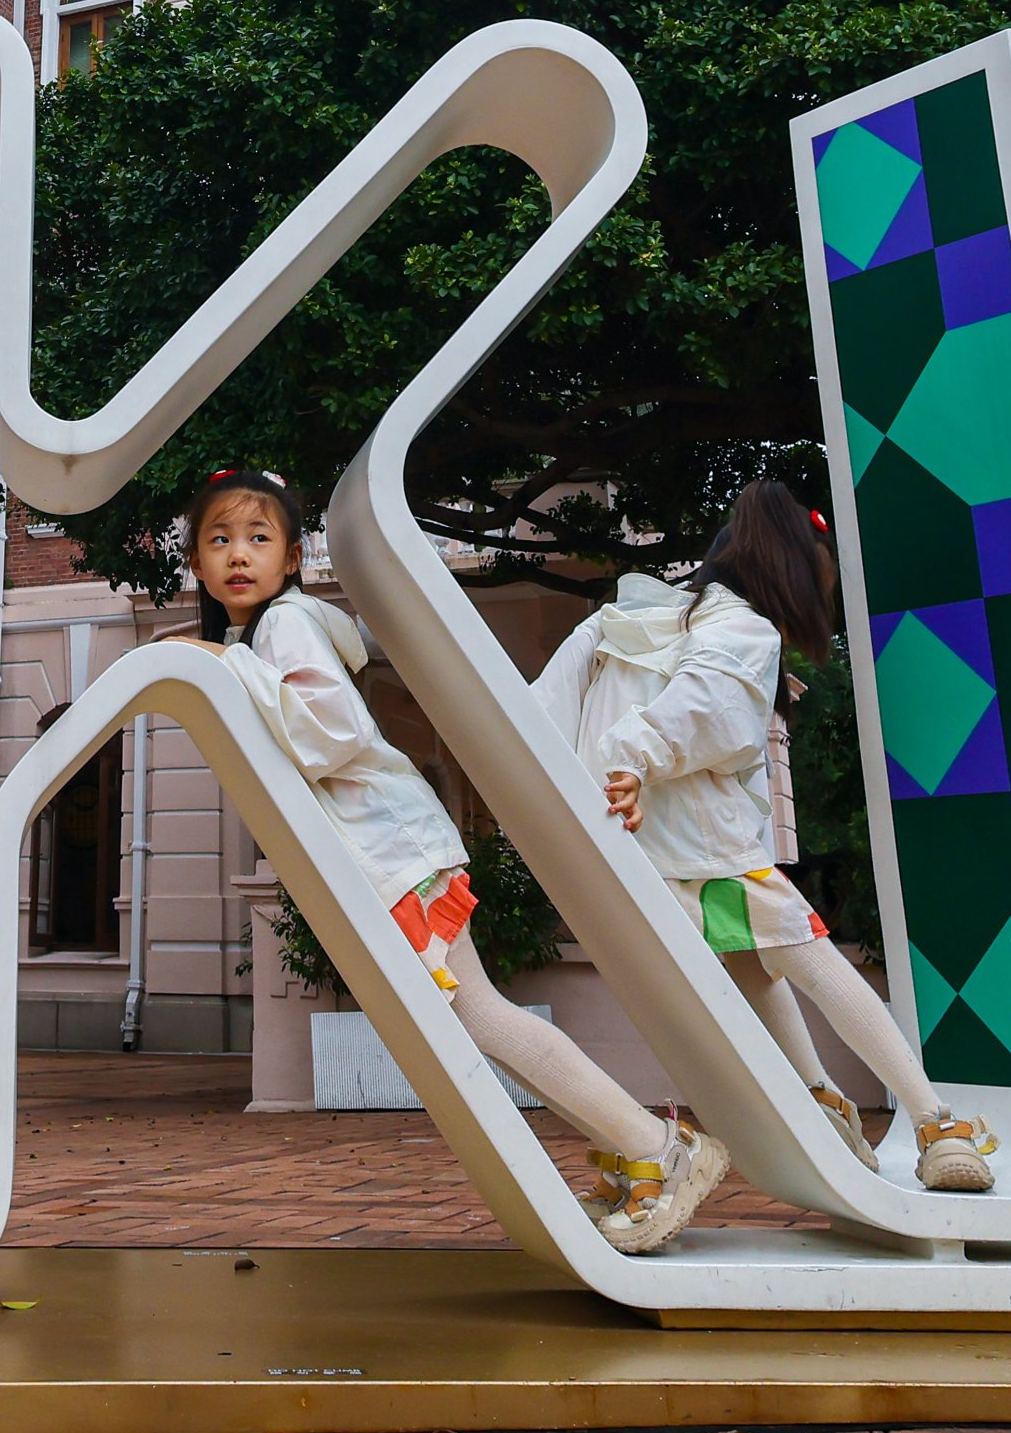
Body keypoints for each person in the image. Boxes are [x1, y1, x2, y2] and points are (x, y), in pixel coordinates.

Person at [171, 467, 729, 1254]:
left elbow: (328, 736)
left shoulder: (283, 629)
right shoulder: (265, 634)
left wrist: (226, 670)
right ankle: (639, 1149)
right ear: (196, 563)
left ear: (292, 558)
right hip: (396, 847)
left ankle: (657, 1147)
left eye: (258, 538)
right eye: (219, 540)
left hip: (396, 851)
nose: (238, 555)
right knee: (478, 1017)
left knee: (479, 1013)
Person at [536, 475, 999, 1196]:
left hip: (640, 853)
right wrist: (637, 757)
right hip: (705, 850)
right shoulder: (743, 629)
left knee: (754, 974)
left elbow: (545, 712)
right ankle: (934, 1120)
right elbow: (704, 705)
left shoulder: (636, 618)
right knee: (811, 961)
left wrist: (587, 786)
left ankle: (823, 1103)